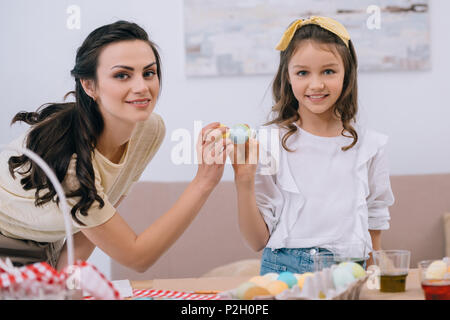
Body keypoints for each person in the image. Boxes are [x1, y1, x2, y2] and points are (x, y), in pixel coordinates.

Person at [0, 20, 231, 272]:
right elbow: (136, 257)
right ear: (89, 85)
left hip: (44, 240)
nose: (142, 87)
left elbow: (91, 224)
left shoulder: (149, 130)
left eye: (149, 73)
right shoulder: (69, 162)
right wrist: (203, 182)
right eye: (122, 75)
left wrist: (66, 281)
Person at [229, 16, 394, 274]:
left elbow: (375, 219)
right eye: (303, 72)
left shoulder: (370, 146)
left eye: (328, 71)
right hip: (284, 271)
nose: (316, 84)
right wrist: (244, 181)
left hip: (351, 272)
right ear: (288, 77)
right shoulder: (269, 143)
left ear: (347, 74)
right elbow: (256, 241)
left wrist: (375, 276)